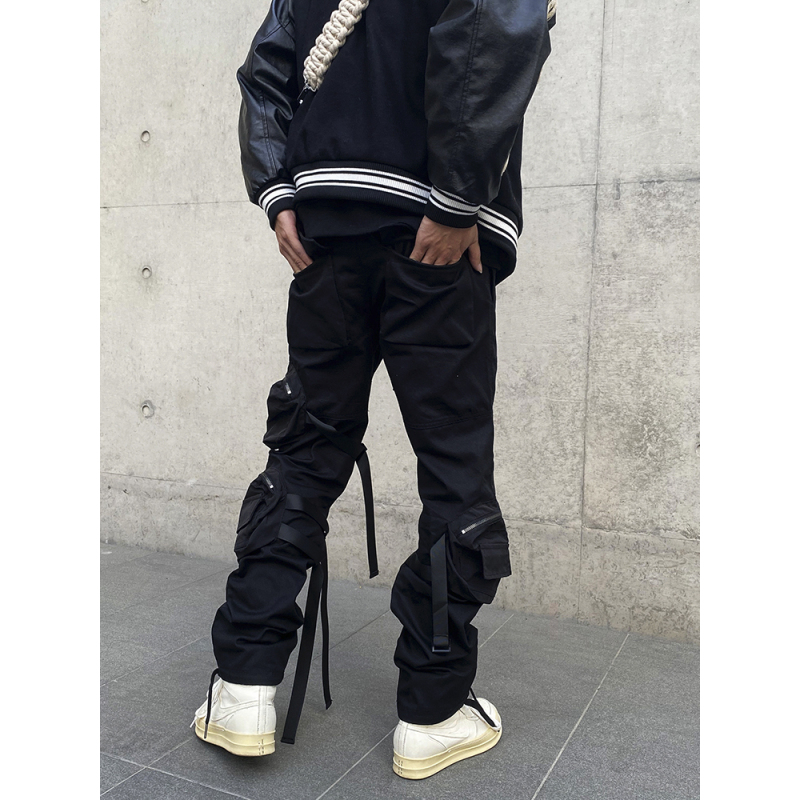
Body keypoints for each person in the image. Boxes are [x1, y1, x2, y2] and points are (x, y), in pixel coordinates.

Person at [192, 0, 555, 779]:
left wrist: (278, 191)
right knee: (453, 468)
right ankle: (432, 711)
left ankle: (243, 686)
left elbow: (268, 70)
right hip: (434, 234)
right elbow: (494, 28)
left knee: (303, 452)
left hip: (327, 233)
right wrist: (456, 199)